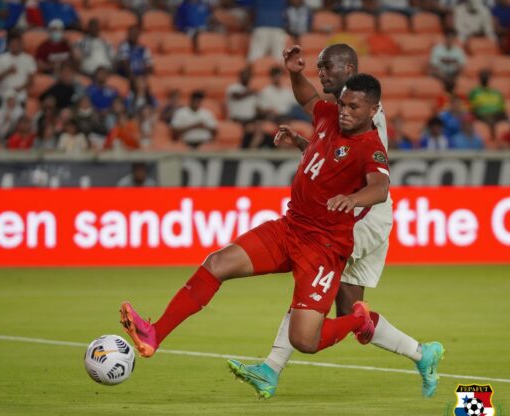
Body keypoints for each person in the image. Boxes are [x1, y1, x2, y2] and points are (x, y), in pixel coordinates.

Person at [121, 74, 391, 388]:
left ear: (373, 110)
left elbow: (380, 187)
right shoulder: (331, 117)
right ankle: (154, 334)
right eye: (342, 103)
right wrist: (294, 73)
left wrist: (353, 199)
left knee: (304, 340)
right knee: (217, 263)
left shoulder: (371, 147)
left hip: (324, 247)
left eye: (354, 107)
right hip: (290, 227)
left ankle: (358, 319)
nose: (344, 111)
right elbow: (308, 98)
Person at [227, 44, 444, 399]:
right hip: (368, 216)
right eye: (319, 67)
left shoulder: (365, 116)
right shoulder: (350, 112)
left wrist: (353, 198)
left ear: (350, 70)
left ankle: (270, 368)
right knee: (349, 312)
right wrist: (305, 143)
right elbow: (336, 159)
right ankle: (423, 354)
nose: (322, 74)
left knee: (310, 270)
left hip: (361, 218)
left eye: (328, 67)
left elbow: (366, 174)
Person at [0, 31, 37, 103]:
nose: (14, 45)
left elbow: (31, 81)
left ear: (21, 43)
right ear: (8, 44)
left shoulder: (28, 59)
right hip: (3, 96)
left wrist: (19, 88)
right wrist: (7, 71)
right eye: (12, 43)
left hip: (20, 97)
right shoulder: (1, 58)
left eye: (16, 43)